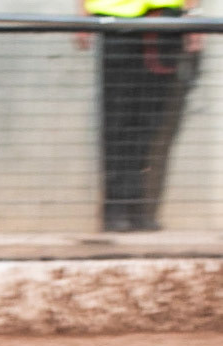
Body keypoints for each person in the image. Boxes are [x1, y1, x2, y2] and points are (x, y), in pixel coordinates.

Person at [84, 0, 202, 231]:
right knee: (118, 120)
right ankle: (116, 208)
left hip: (167, 22)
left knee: (150, 122)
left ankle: (138, 206)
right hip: (119, 21)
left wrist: (193, 13)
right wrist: (82, 13)